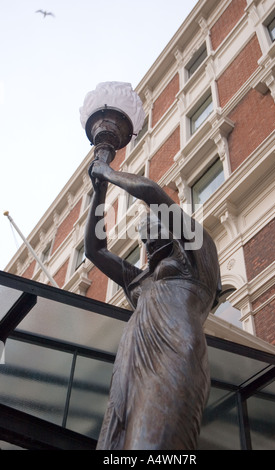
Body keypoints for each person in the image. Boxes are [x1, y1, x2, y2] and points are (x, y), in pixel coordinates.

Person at [84, 150, 221, 450]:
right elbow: (94, 251)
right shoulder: (141, 281)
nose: (146, 242)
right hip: (131, 373)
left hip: (174, 360)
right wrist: (100, 192)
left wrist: (107, 172)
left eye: (153, 228)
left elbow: (150, 192)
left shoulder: (197, 256)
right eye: (143, 239)